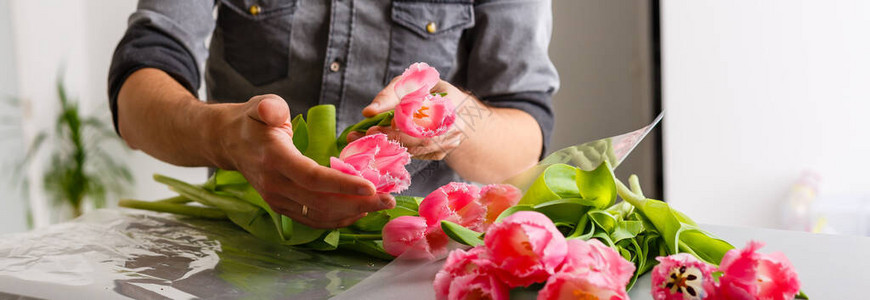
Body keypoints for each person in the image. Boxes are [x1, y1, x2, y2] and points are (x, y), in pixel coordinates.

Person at [108, 0, 559, 229]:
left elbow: (525, 133)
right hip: (245, 253)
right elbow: (136, 97)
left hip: (420, 264)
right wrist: (224, 136)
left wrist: (458, 120)